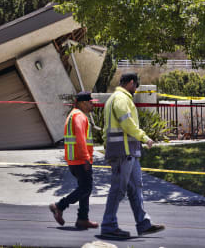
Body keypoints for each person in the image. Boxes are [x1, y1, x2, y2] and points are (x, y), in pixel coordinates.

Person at [100, 73, 165, 239]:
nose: (136, 89)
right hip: (123, 153)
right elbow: (127, 123)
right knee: (118, 189)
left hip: (128, 153)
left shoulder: (115, 98)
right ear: (130, 83)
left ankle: (143, 223)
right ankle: (108, 225)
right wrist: (144, 137)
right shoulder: (121, 99)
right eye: (136, 85)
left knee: (136, 188)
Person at [49, 91, 98, 229]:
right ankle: (59, 206)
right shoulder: (79, 116)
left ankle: (83, 218)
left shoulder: (75, 115)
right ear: (83, 103)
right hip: (80, 160)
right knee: (86, 188)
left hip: (75, 160)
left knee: (85, 189)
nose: (92, 104)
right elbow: (80, 139)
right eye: (90, 102)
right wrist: (86, 158)